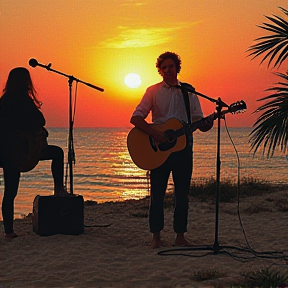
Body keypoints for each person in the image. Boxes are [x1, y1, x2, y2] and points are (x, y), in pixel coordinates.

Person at [130, 52, 215, 248]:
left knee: (182, 194)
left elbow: (198, 121)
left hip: (183, 149)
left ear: (178, 68)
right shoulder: (152, 91)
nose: (168, 70)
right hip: (158, 150)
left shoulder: (189, 91)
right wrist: (156, 134)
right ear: (160, 70)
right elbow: (135, 118)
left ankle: (180, 236)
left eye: (171, 66)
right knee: (157, 194)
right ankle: (156, 237)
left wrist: (208, 123)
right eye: (164, 67)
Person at [0, 67, 68, 241]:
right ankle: (59, 189)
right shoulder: (24, 100)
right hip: (26, 149)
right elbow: (41, 120)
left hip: (8, 153)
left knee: (10, 192)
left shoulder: (4, 101)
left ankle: (8, 232)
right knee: (57, 153)